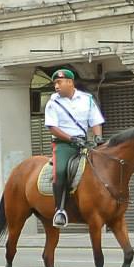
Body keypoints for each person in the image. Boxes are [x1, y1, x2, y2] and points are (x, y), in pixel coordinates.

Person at [44, 68, 104, 228]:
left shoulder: (87, 99)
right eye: (55, 83)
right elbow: (52, 127)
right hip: (64, 144)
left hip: (85, 142)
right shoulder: (53, 102)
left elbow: (95, 120)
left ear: (70, 82)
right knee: (61, 171)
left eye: (59, 82)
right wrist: (71, 138)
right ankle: (59, 210)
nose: (56, 86)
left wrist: (98, 137)